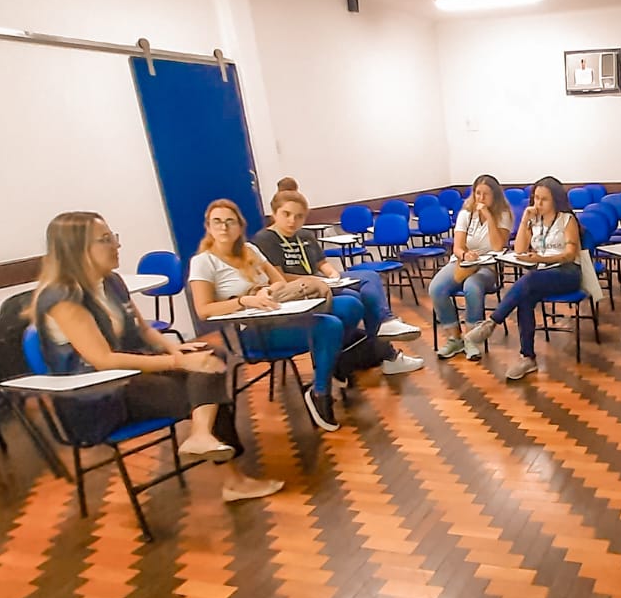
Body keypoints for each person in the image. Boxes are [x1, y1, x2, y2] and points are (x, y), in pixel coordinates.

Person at [31, 211, 282, 503]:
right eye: (106, 240)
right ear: (77, 249)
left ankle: (203, 435)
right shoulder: (62, 296)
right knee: (196, 385)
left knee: (211, 355)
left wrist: (177, 350)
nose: (116, 245)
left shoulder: (111, 281)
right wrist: (177, 362)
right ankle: (229, 475)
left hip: (129, 374)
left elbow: (144, 330)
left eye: (113, 237)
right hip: (95, 396)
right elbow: (103, 361)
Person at [188, 198, 365, 433]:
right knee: (329, 326)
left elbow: (279, 280)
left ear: (240, 226)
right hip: (252, 332)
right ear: (208, 227)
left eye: (230, 222)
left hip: (280, 311)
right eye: (217, 222)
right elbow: (204, 310)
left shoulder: (250, 250)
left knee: (351, 305)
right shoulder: (203, 262)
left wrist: (268, 290)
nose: (224, 227)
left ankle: (331, 364)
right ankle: (319, 392)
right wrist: (243, 301)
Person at [250, 188, 425, 376]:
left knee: (369, 276)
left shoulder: (305, 236)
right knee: (354, 298)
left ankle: (385, 324)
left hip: (321, 284)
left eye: (299, 216)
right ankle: (388, 353)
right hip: (298, 293)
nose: (293, 221)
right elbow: (280, 278)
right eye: (286, 214)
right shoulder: (265, 239)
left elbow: (322, 263)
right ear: (275, 213)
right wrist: (318, 280)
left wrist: (332, 274)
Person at [462, 177, 603, 380]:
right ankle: (527, 357)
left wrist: (541, 258)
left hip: (568, 273)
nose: (538, 203)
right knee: (525, 297)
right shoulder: (534, 219)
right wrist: (525, 220)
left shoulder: (566, 219)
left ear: (555, 200)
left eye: (543, 199)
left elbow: (570, 254)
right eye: (535, 198)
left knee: (529, 281)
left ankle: (492, 322)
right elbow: (519, 249)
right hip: (543, 274)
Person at [429, 175, 512, 360]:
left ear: (495, 196)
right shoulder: (466, 213)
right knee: (436, 288)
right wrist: (465, 254)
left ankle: (471, 338)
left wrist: (489, 217)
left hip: (488, 267)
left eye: (486, 194)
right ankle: (454, 338)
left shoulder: (503, 214)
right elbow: (457, 247)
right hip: (464, 263)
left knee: (472, 286)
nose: (480, 198)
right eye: (477, 193)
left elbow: (499, 246)